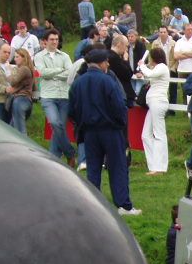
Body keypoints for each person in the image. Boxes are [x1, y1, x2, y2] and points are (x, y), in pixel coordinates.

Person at [69, 48, 140, 215]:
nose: (108, 64)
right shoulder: (107, 80)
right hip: (110, 130)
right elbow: (118, 105)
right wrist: (120, 124)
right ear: (101, 63)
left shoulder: (78, 82)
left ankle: (93, 204)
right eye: (106, 61)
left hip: (89, 132)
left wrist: (81, 123)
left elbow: (71, 109)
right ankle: (124, 205)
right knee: (117, 167)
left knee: (93, 168)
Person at [34, 29, 77, 166]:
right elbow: (43, 72)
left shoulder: (64, 56)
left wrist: (53, 73)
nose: (54, 42)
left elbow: (70, 73)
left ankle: (54, 158)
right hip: (48, 96)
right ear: (45, 41)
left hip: (64, 95)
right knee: (54, 123)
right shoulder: (39, 56)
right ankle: (70, 153)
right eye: (52, 39)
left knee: (60, 128)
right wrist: (60, 71)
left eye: (56, 39)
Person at [136, 46, 171, 175]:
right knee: (145, 135)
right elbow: (150, 75)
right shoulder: (158, 68)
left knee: (159, 134)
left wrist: (142, 65)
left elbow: (150, 74)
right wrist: (144, 68)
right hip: (153, 104)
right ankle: (153, 165)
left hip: (158, 102)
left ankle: (161, 167)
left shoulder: (162, 67)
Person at [6, 47, 35, 134]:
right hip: (24, 100)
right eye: (14, 57)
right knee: (11, 131)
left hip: (21, 100)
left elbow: (12, 81)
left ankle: (25, 147)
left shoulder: (24, 69)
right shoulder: (27, 69)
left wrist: (8, 70)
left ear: (24, 57)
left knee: (20, 131)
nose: (15, 59)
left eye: (17, 57)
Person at [107, 34, 136, 108]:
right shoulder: (114, 58)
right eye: (126, 46)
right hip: (122, 93)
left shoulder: (107, 55)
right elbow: (128, 74)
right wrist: (125, 60)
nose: (126, 49)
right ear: (119, 44)